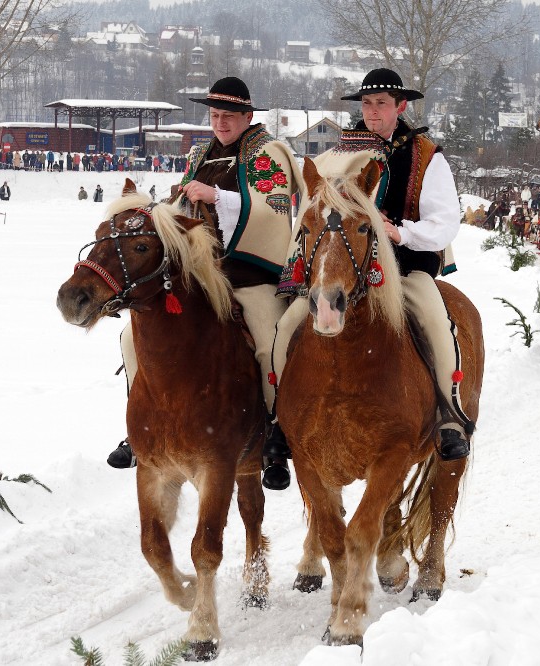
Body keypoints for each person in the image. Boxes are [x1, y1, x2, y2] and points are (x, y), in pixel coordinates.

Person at [271, 68, 474, 475]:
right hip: (342, 274)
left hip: (403, 271)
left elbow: (446, 221)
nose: (373, 111)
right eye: (367, 103)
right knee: (287, 324)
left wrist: (399, 231)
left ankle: (448, 412)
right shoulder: (336, 157)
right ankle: (277, 421)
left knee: (436, 318)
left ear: (401, 106)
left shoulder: (425, 156)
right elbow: (312, 213)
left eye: (382, 102)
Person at [106, 77, 302, 492]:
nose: (221, 123)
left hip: (249, 275)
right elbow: (183, 207)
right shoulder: (199, 153)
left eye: (229, 116)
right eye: (214, 115)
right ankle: (141, 427)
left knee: (270, 340)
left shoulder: (269, 152)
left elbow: (273, 209)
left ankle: (276, 432)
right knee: (130, 336)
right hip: (200, 277)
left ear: (248, 116)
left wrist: (219, 197)